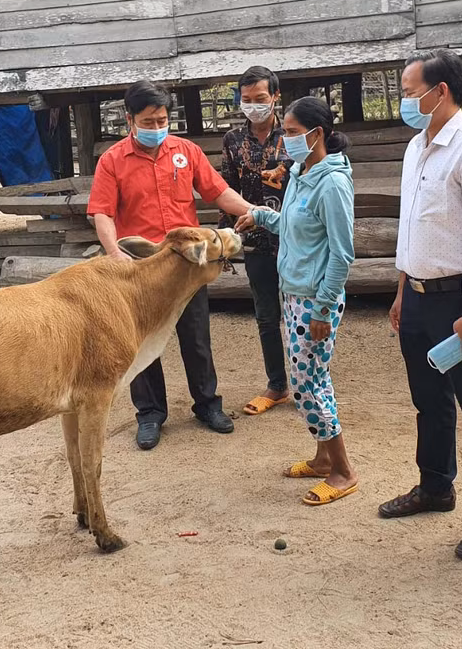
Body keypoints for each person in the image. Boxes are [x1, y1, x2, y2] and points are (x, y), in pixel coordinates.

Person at [381, 48, 462, 560]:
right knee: (429, 401)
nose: (404, 102)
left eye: (409, 92)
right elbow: (411, 226)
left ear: (441, 92)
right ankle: (435, 485)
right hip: (418, 298)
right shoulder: (416, 147)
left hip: (460, 302)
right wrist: (401, 291)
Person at [87, 80, 255, 450]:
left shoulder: (186, 151)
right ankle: (150, 414)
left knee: (196, 338)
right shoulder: (112, 160)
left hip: (186, 265)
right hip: (141, 268)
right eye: (148, 122)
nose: (157, 127)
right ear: (129, 119)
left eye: (162, 120)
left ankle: (208, 405)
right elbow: (102, 212)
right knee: (142, 343)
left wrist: (253, 211)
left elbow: (218, 192)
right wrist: (114, 253)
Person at [236, 96, 358, 506]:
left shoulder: (332, 184)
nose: (285, 140)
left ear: (316, 134)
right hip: (294, 293)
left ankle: (343, 471)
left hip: (315, 300)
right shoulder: (301, 173)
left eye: (291, 133)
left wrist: (323, 307)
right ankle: (323, 459)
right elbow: (293, 225)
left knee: (307, 384)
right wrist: (260, 215)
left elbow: (342, 253)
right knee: (313, 378)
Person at [220, 66, 293, 417]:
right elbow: (227, 188)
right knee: (266, 316)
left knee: (302, 313)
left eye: (260, 98)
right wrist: (227, 236)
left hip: (295, 238)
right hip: (255, 241)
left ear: (275, 96)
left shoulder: (294, 133)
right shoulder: (232, 140)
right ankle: (277, 385)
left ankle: (312, 383)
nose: (253, 105)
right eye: (246, 99)